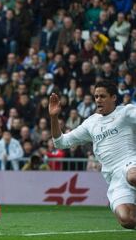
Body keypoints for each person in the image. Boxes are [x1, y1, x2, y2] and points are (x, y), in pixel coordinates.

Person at [49, 81, 136, 229]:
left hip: (130, 163)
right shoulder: (91, 123)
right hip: (113, 177)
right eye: (96, 96)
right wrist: (53, 118)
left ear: (114, 97)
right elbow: (60, 142)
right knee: (126, 220)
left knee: (133, 176)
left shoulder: (126, 112)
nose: (98, 100)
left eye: (102, 96)